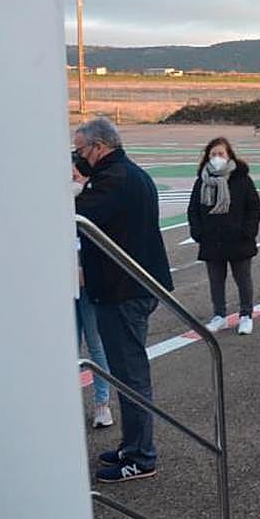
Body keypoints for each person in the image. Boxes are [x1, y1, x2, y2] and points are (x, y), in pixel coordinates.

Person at [73, 117, 173, 483]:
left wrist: (74, 185)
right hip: (129, 286)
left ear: (98, 147)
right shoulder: (129, 174)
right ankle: (132, 446)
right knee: (125, 371)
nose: (77, 157)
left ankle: (141, 456)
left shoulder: (113, 179)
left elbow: (78, 213)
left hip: (124, 291)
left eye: (80, 150)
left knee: (130, 375)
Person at [187, 137, 260, 336]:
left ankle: (246, 315)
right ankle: (219, 315)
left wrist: (247, 231)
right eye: (213, 154)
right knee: (215, 280)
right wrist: (198, 233)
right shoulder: (202, 181)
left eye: (221, 154)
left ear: (229, 155)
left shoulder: (241, 179)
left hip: (239, 240)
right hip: (212, 240)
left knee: (243, 278)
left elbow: (254, 207)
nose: (217, 158)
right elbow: (193, 209)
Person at [73, 164, 112, 429]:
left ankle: (102, 403)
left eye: (76, 174)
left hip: (87, 285)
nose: (73, 179)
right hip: (62, 285)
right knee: (68, 344)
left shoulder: (92, 201)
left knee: (95, 343)